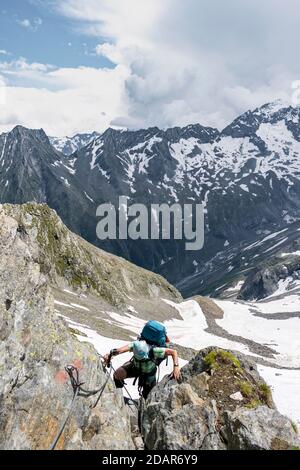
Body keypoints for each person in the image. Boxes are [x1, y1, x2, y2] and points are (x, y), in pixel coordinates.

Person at [103, 340, 181, 399]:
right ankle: (118, 394)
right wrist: (109, 355)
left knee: (147, 396)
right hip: (135, 367)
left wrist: (176, 366)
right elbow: (119, 351)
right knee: (117, 375)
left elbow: (174, 352)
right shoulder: (135, 345)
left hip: (149, 373)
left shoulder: (154, 350)